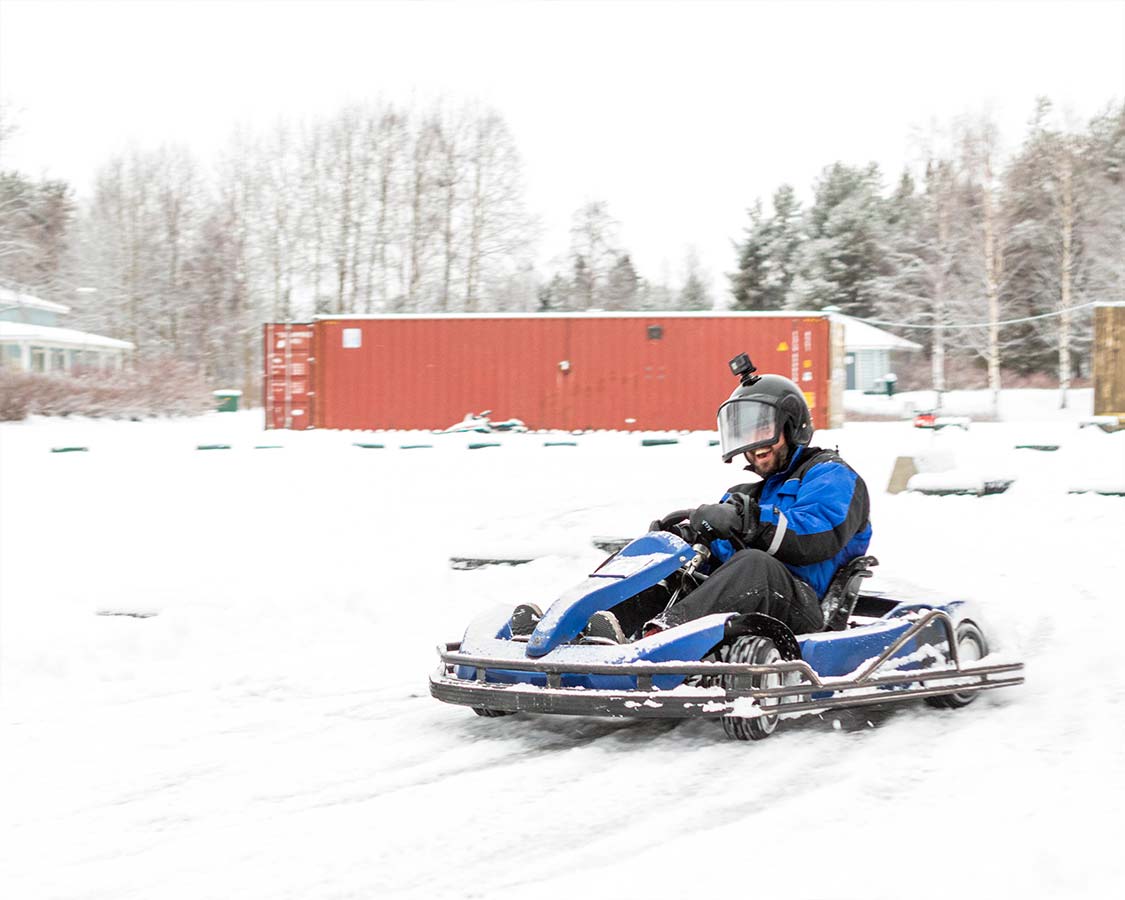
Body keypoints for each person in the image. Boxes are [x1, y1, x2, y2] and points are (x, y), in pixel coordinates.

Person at [613, 355, 872, 641]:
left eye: (764, 430)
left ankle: (659, 639)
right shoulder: (745, 494)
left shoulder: (831, 475)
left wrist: (749, 522)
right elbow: (721, 555)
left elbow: (815, 537)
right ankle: (600, 630)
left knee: (756, 565)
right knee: (666, 569)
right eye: (746, 434)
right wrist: (688, 539)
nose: (755, 445)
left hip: (805, 606)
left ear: (791, 424)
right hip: (752, 598)